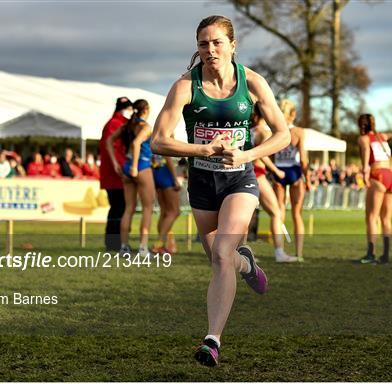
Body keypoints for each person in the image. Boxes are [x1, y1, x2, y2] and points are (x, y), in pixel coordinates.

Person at [151, 15, 290, 366]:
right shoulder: (185, 86)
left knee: (223, 251)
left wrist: (246, 155)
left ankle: (212, 340)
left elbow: (282, 134)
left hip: (239, 179)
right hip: (201, 181)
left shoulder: (253, 82)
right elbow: (159, 141)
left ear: (232, 44)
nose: (210, 50)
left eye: (216, 42)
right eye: (203, 44)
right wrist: (203, 150)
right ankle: (248, 266)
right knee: (219, 256)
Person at [107, 99, 155, 256]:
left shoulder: (126, 125)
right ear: (146, 110)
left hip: (126, 167)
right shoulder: (145, 127)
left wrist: (116, 163)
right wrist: (135, 166)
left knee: (129, 209)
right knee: (147, 208)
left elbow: (109, 141)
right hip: (141, 167)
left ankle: (124, 247)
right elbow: (136, 143)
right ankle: (143, 248)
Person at [250, 104, 293, 262]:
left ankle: (241, 253)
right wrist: (276, 170)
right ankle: (279, 252)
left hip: (246, 173)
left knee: (245, 217)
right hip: (257, 174)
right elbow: (263, 154)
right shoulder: (263, 131)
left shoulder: (250, 129)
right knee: (275, 213)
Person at [273, 99, 311, 262]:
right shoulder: (299, 132)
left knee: (279, 213)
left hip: (279, 170)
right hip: (294, 171)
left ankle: (279, 251)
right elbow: (303, 159)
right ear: (293, 114)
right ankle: (299, 252)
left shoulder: (275, 131)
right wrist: (307, 178)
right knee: (297, 214)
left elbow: (271, 154)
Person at [357, 114, 392, 264]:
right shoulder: (382, 137)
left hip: (377, 174)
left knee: (371, 217)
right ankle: (386, 255)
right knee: (386, 219)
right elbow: (391, 134)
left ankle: (371, 254)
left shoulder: (363, 139)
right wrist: (387, 136)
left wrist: (365, 175)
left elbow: (366, 160)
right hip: (391, 176)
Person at [99, 97, 134, 250]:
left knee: (118, 207)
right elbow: (114, 148)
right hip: (115, 175)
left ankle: (115, 242)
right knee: (118, 208)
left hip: (113, 173)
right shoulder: (116, 124)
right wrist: (123, 167)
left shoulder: (115, 123)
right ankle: (114, 242)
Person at [151, 154, 181, 253]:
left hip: (156, 172)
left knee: (164, 212)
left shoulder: (151, 138)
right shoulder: (165, 137)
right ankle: (159, 243)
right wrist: (175, 179)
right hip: (166, 174)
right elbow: (168, 158)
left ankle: (163, 244)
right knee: (175, 212)